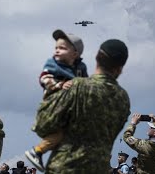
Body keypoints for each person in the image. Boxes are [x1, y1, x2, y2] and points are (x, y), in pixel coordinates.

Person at [31, 39, 130, 173]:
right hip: (99, 168)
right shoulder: (123, 98)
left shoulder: (77, 86)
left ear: (96, 58)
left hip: (66, 166)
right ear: (120, 69)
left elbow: (43, 124)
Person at [25, 29, 88, 171]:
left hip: (70, 108)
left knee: (62, 135)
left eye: (62, 48)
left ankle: (39, 152)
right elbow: (44, 78)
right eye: (56, 48)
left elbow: (86, 83)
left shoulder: (80, 68)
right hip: (54, 104)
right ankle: (37, 151)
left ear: (75, 53)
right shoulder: (52, 64)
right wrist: (60, 84)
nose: (57, 51)